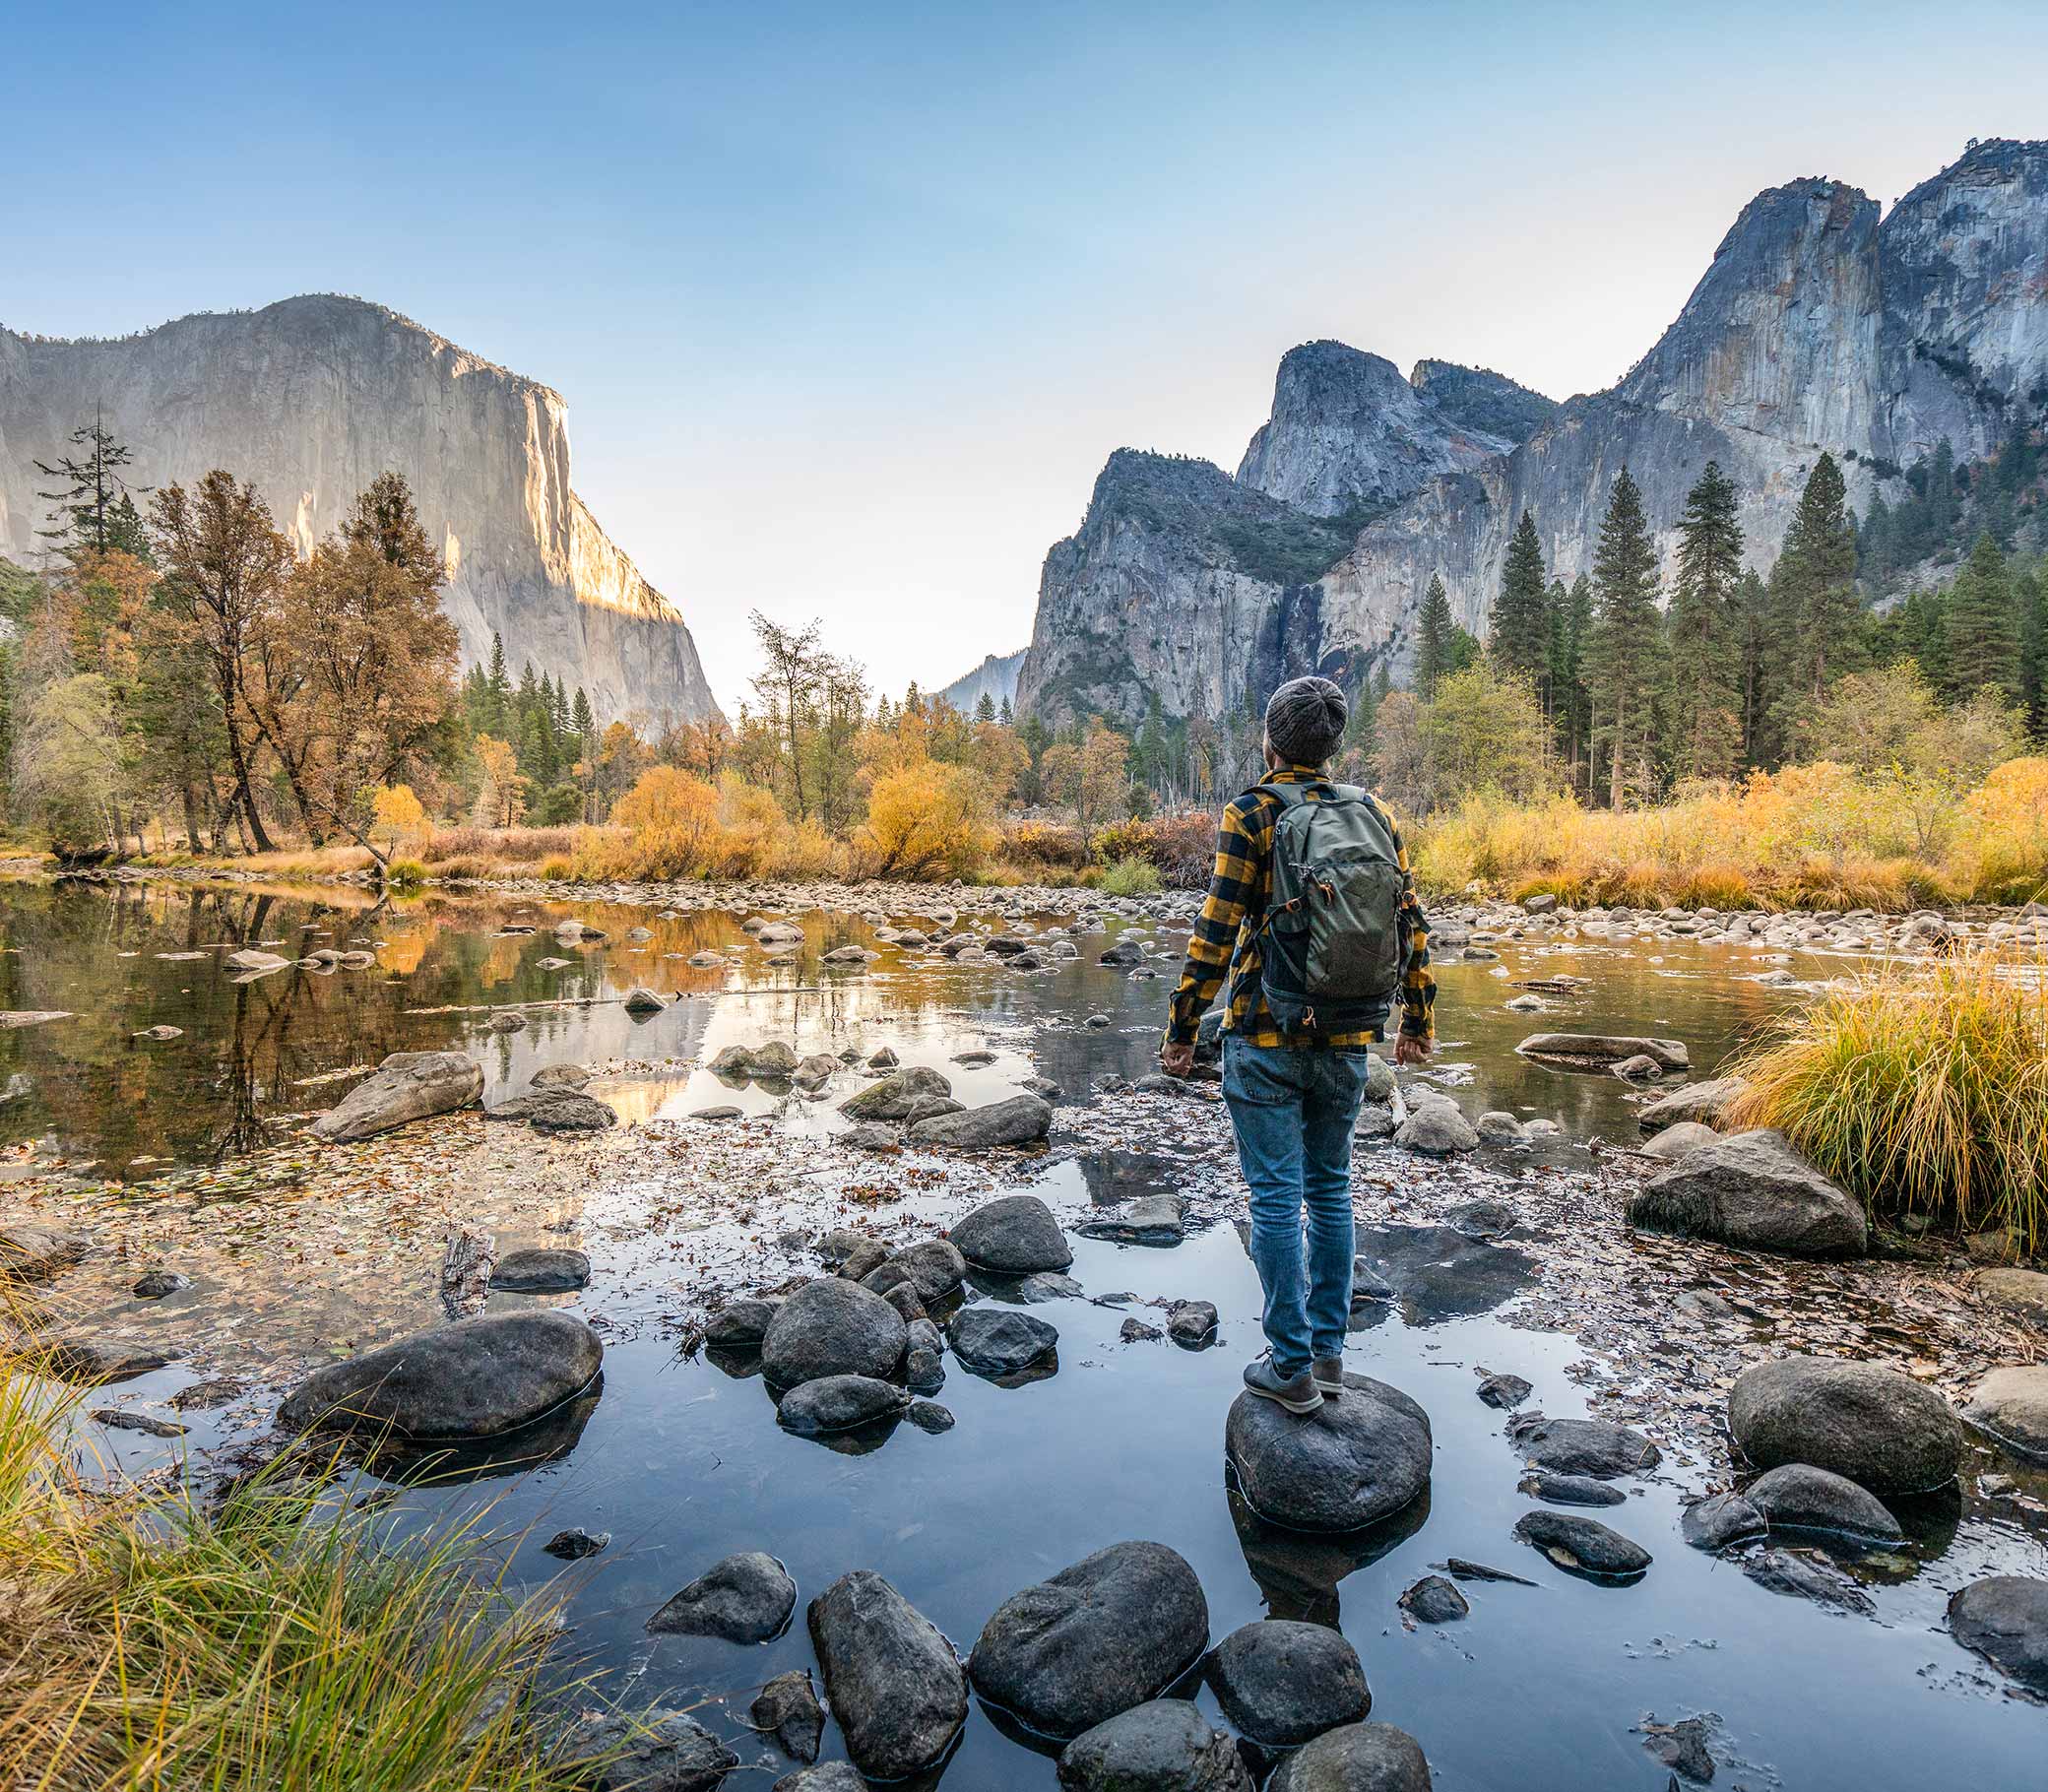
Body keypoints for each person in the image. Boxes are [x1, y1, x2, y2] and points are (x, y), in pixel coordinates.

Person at [1161, 675, 1434, 1414]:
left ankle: (1289, 1367)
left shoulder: (1250, 812)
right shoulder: (1372, 811)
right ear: (1332, 746)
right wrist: (1419, 1021)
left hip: (1265, 1032)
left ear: (1271, 741)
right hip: (1348, 1035)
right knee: (1332, 1188)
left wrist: (1183, 1029)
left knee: (1277, 1198)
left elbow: (1215, 932)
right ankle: (1330, 1355)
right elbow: (1409, 920)